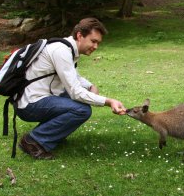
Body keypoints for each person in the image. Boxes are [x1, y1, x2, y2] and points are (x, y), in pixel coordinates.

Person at [16, 17, 126, 160]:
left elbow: (74, 77)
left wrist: (90, 86)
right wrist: (109, 101)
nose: (96, 47)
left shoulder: (67, 49)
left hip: (39, 99)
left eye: (98, 43)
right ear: (80, 35)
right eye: (93, 41)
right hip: (30, 105)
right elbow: (75, 92)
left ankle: (53, 136)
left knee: (81, 99)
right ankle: (33, 141)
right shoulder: (61, 51)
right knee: (81, 110)